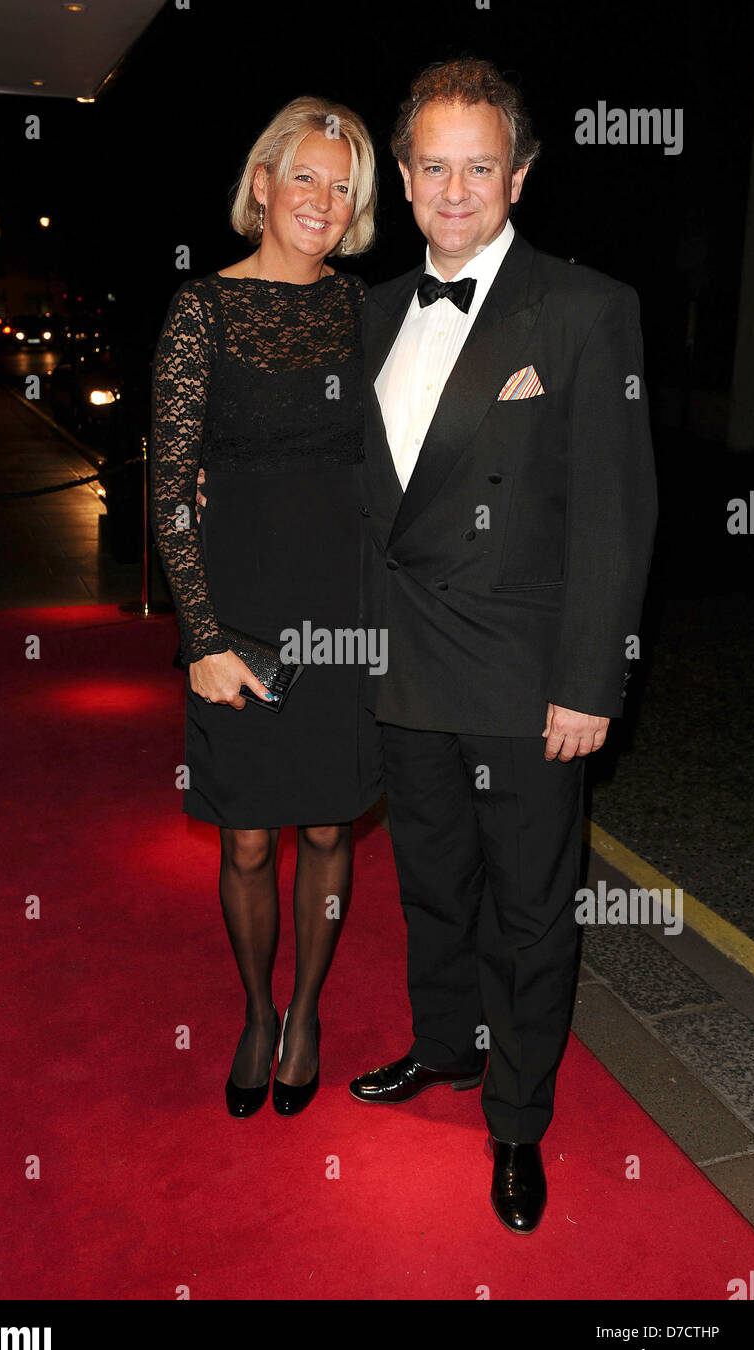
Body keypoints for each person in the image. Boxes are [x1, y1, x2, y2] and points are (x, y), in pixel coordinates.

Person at [352, 58, 658, 1233]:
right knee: (431, 882)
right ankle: (444, 1047)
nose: (455, 186)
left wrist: (591, 679)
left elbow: (616, 513)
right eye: (433, 163)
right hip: (398, 665)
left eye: (480, 164)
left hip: (527, 679)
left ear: (518, 175)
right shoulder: (370, 310)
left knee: (529, 909)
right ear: (405, 174)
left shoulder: (585, 309)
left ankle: (518, 1121)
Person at [150, 97, 382, 1120]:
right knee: (245, 837)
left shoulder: (365, 309)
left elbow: (419, 431)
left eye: (342, 187)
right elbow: (167, 486)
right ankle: (253, 1006)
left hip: (345, 610)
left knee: (330, 827)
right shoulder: (201, 309)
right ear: (260, 185)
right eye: (304, 177)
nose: (322, 202)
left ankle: (306, 1009)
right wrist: (198, 636)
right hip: (237, 613)